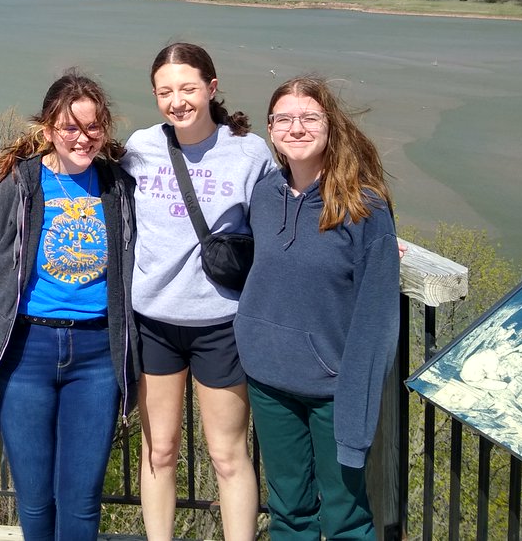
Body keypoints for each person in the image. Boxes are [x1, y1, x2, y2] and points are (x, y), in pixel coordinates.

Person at [0, 71, 137, 541]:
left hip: (97, 354)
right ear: (48, 129)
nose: (82, 138)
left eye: (92, 127)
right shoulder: (17, 185)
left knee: (81, 499)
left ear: (105, 128)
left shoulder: (118, 187)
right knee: (35, 497)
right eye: (69, 127)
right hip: (24, 352)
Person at [234, 74, 400, 541]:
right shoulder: (264, 194)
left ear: (330, 126)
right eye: (284, 119)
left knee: (346, 517)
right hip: (268, 379)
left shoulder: (364, 208)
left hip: (333, 389)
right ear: (270, 129)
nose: (297, 128)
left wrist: (357, 404)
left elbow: (377, 319)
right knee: (289, 511)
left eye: (309, 117)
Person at [122, 42, 276, 541]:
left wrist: (361, 232)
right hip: (155, 323)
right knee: (159, 450)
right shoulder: (140, 148)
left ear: (212, 88)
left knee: (227, 454)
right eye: (165, 91)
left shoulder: (249, 152)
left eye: (188, 88)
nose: (177, 101)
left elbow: (285, 216)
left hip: (221, 324)